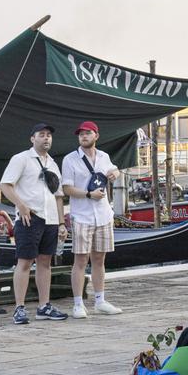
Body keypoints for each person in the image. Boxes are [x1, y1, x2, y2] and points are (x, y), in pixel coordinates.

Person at [0, 123, 69, 325]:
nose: (46, 138)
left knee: (45, 262)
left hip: (50, 219)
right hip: (30, 217)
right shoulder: (21, 159)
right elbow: (5, 184)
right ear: (33, 138)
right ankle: (19, 308)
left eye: (49, 135)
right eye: (42, 135)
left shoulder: (53, 164)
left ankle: (44, 306)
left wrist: (61, 222)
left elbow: (58, 196)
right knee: (24, 262)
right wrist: (20, 205)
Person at [60, 121, 123, 318]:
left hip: (103, 214)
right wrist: (88, 194)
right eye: (81, 134)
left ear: (96, 135)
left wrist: (114, 173)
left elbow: (115, 170)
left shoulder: (104, 156)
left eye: (88, 133)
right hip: (82, 215)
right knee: (80, 260)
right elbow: (67, 188)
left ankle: (100, 300)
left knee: (99, 259)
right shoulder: (70, 159)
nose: (84, 136)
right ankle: (78, 303)